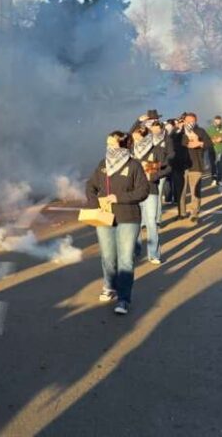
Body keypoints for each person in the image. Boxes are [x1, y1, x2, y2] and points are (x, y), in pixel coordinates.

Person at [86, 131, 149, 315]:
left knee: (125, 260)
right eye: (107, 144)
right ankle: (109, 285)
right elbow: (91, 186)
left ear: (122, 145)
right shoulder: (103, 164)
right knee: (107, 256)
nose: (108, 148)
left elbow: (143, 191)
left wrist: (117, 197)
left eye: (112, 144)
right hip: (105, 217)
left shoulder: (134, 165)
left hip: (128, 218)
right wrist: (94, 204)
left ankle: (123, 298)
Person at [132, 126, 170, 264]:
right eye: (134, 138)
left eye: (137, 138)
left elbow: (167, 168)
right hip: (135, 190)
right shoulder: (131, 151)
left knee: (151, 222)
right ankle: (135, 250)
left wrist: (153, 175)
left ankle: (154, 254)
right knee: (135, 221)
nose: (134, 140)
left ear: (145, 137)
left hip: (151, 190)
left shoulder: (157, 150)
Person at [179, 112, 212, 225]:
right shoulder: (180, 131)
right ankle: (182, 213)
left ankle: (194, 213)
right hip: (181, 166)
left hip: (195, 165)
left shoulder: (200, 131)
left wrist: (199, 143)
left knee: (195, 191)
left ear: (195, 121)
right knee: (181, 192)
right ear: (184, 121)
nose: (189, 123)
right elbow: (176, 144)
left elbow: (209, 144)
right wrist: (187, 142)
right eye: (187, 121)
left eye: (192, 121)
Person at [148, 119, 173, 224]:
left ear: (162, 129)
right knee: (148, 195)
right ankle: (147, 219)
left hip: (161, 170)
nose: (155, 132)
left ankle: (157, 219)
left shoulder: (167, 140)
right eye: (153, 130)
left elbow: (171, 154)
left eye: (157, 130)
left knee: (157, 194)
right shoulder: (148, 139)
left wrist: (162, 164)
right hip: (149, 168)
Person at [167, 118, 188, 208]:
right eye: (179, 122)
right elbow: (170, 141)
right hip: (175, 162)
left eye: (183, 122)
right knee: (175, 183)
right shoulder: (173, 132)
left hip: (186, 163)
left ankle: (178, 202)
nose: (181, 124)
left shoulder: (188, 132)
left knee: (183, 186)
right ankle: (177, 202)